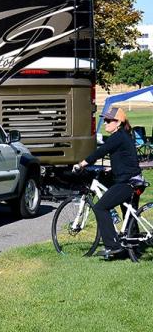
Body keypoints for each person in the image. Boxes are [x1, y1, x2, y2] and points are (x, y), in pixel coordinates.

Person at [74, 107, 143, 259]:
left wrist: (81, 164)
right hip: (134, 179)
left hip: (127, 182)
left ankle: (113, 246)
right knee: (129, 216)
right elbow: (126, 158)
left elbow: (101, 151)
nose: (105, 123)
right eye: (104, 120)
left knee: (100, 207)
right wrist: (111, 167)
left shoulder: (117, 137)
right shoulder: (124, 136)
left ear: (118, 122)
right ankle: (134, 249)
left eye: (108, 120)